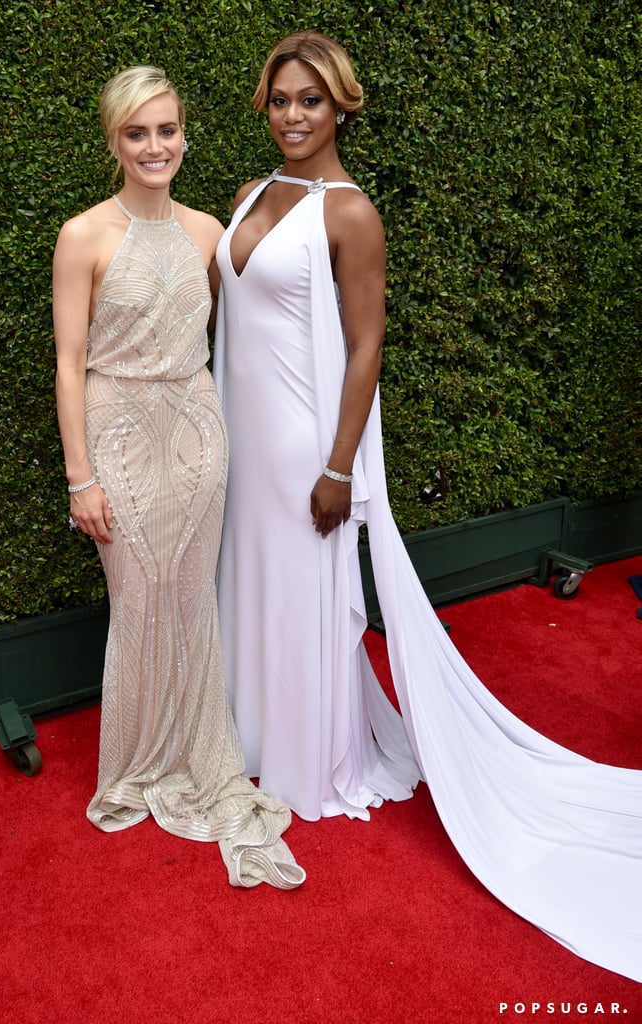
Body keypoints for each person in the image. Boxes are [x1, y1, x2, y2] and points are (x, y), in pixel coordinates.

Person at [213, 32, 642, 977]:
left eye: (310, 102)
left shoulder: (351, 213)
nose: (292, 115)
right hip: (242, 446)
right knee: (250, 592)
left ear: (342, 109)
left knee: (307, 600)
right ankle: (247, 736)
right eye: (280, 99)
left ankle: (311, 759)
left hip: (303, 451)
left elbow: (365, 347)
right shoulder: (246, 196)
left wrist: (339, 469)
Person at [52, 65, 304, 890]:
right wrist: (77, 476)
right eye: (137, 133)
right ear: (113, 142)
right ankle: (135, 766)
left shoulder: (207, 231)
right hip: (117, 436)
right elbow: (68, 361)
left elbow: (265, 327)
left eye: (166, 130)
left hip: (198, 434)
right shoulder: (82, 234)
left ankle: (199, 756)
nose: (154, 146)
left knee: (192, 603)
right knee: (138, 600)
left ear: (184, 135)